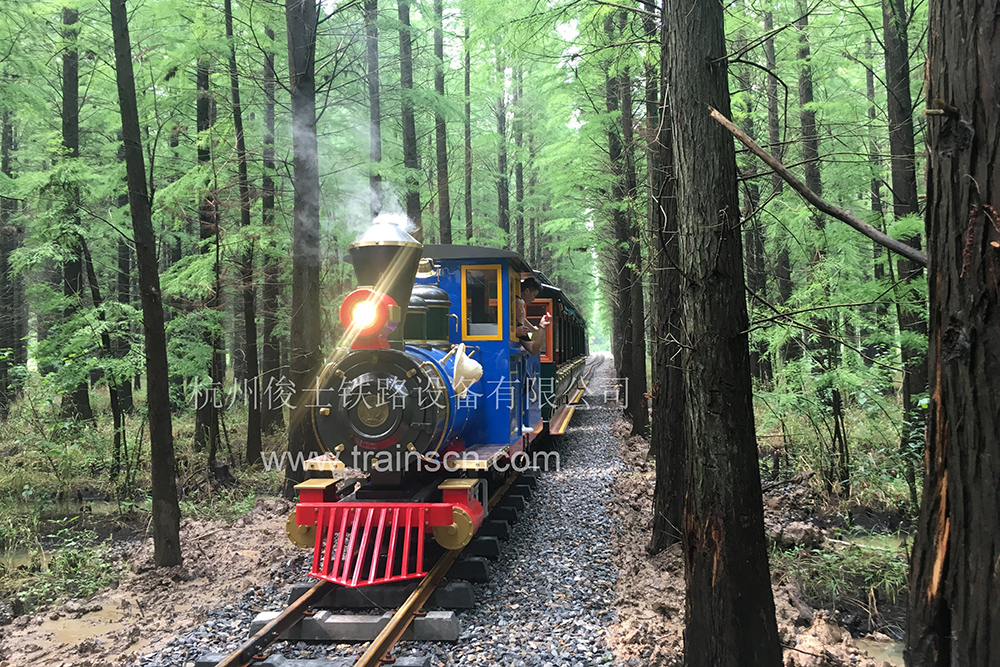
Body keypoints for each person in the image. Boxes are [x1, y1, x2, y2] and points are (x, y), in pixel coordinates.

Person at [516, 277, 551, 355]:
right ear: (527, 291)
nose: (533, 299)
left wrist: (539, 329)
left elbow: (532, 340)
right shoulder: (516, 324)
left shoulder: (520, 324)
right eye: (534, 295)